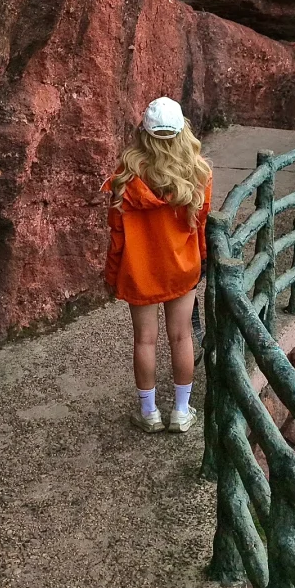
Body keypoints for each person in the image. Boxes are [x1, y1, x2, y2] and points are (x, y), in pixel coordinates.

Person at [103, 97, 212, 433]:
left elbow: (117, 237)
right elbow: (201, 226)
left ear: (144, 134)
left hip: (140, 271)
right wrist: (202, 258)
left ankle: (149, 413)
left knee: (144, 341)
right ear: (183, 132)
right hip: (182, 267)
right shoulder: (197, 174)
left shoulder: (125, 178)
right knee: (181, 337)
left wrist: (112, 276)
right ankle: (180, 411)